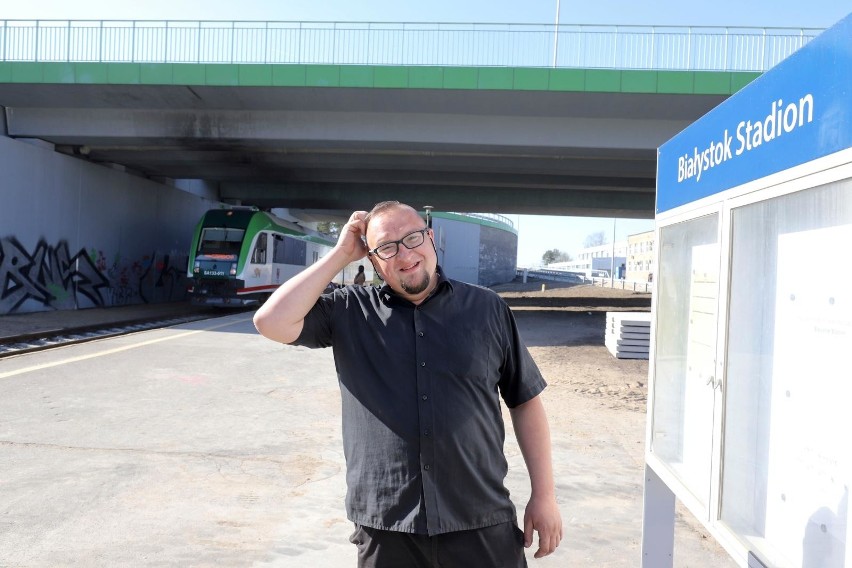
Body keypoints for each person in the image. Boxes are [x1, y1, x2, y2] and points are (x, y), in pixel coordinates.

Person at [253, 201, 562, 567]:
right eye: (386, 247)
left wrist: (544, 496)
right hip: (388, 527)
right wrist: (339, 254)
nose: (405, 254)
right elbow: (271, 321)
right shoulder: (349, 311)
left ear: (431, 239)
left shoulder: (487, 309)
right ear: (371, 259)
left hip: (480, 518)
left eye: (413, 238)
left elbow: (524, 400)